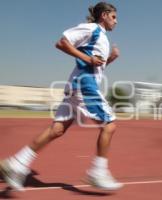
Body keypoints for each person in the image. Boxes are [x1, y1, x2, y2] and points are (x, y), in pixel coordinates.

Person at [0, 2, 123, 191]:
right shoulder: (92, 29)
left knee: (57, 130)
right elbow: (62, 42)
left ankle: (16, 164)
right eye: (114, 16)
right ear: (104, 15)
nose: (116, 21)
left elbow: (96, 66)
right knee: (110, 125)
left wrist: (110, 58)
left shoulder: (102, 38)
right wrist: (87, 58)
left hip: (77, 85)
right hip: (85, 86)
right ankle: (97, 172)